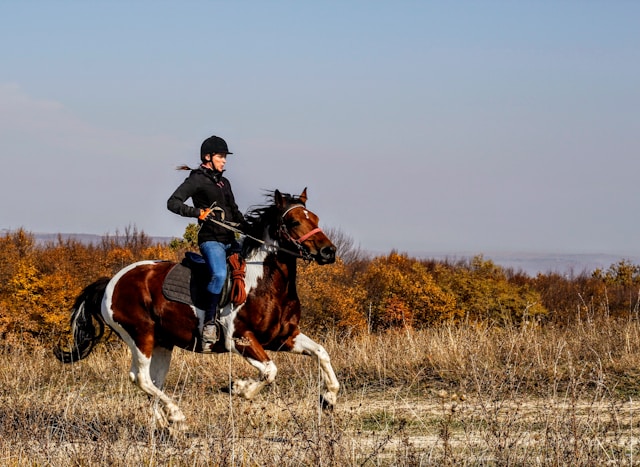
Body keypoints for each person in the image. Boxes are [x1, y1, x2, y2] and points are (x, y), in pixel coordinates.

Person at [167, 135, 245, 345]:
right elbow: (172, 203)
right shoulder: (196, 180)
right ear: (208, 157)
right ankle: (209, 322)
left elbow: (234, 211)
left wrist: (247, 226)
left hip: (230, 238)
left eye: (224, 157)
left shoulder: (224, 182)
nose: (225, 160)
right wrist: (197, 212)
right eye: (221, 156)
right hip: (211, 240)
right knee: (219, 274)